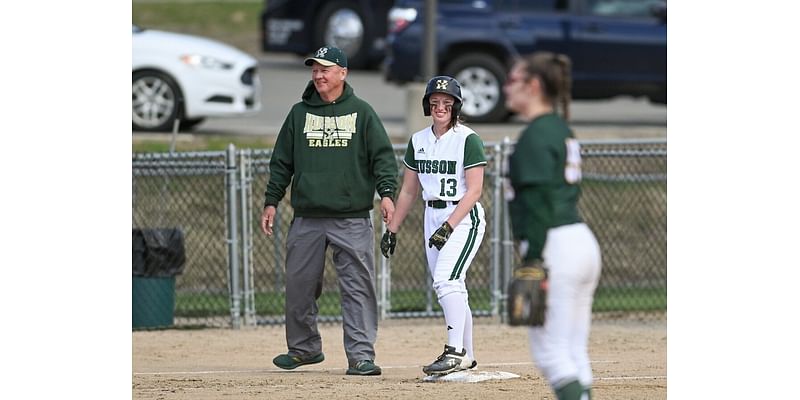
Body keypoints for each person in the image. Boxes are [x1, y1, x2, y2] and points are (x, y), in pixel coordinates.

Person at [260, 46, 398, 376]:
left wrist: (387, 195)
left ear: (343, 73)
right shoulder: (298, 114)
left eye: (325, 69)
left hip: (351, 217)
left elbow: (382, 158)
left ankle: (361, 356)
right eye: (315, 69)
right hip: (307, 217)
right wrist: (271, 200)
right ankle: (304, 348)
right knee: (298, 286)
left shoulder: (362, 113)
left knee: (357, 288)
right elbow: (282, 162)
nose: (319, 75)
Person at [502, 52, 603, 400]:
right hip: (579, 242)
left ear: (533, 86)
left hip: (554, 245)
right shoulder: (559, 128)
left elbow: (540, 201)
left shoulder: (536, 136)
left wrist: (533, 259)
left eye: (513, 80)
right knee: (573, 350)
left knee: (551, 354)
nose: (506, 87)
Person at [380, 75, 487, 376]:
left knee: (446, 280)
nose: (441, 107)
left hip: (463, 216)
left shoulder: (468, 139)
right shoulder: (418, 141)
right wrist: (393, 229)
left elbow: (475, 190)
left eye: (447, 103)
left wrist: (450, 226)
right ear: (427, 105)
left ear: (456, 107)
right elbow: (409, 191)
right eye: (435, 102)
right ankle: (466, 354)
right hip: (432, 214)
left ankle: (454, 352)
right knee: (453, 284)